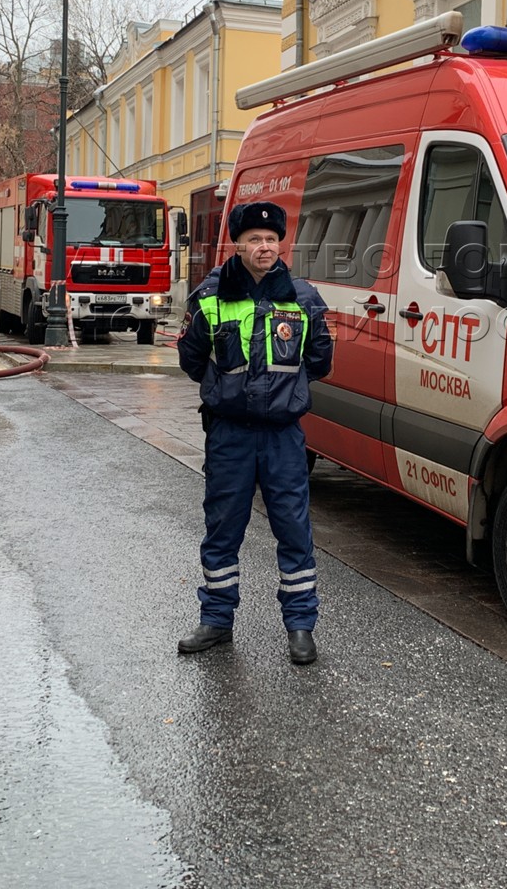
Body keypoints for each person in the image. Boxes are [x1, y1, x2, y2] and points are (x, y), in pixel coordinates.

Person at [175, 200, 334, 665]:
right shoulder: (209, 297)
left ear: (279, 244)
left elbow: (321, 362)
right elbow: (190, 359)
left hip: (284, 437)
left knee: (294, 529)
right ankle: (216, 621)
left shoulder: (303, 300)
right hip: (230, 435)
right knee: (222, 528)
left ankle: (301, 626)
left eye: (271, 240)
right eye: (254, 240)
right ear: (237, 245)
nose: (264, 247)